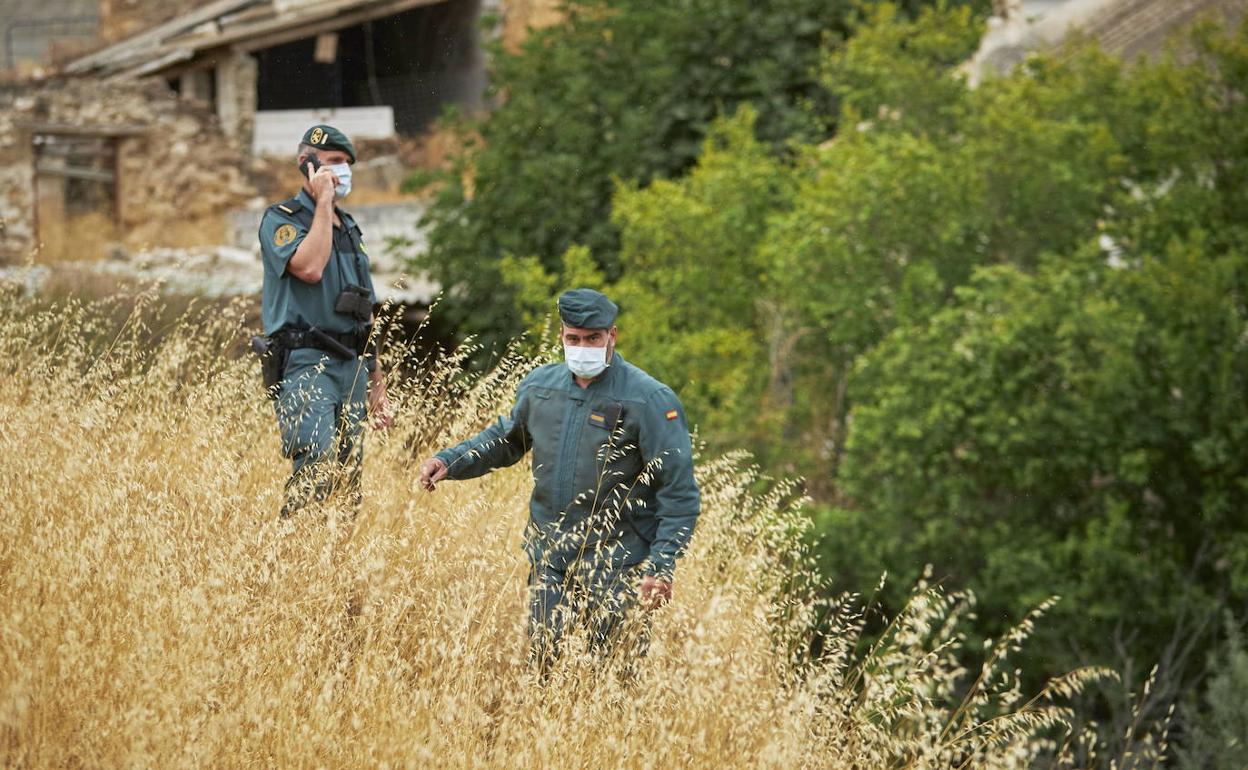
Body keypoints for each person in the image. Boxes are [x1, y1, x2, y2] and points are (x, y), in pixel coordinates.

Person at [418, 288, 701, 668]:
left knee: (612, 680)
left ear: (611, 336)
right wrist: (450, 461)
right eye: (574, 339)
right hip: (550, 559)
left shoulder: (649, 399)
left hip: (617, 564)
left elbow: (678, 493)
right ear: (562, 338)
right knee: (545, 669)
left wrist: (661, 564)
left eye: (593, 339)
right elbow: (505, 440)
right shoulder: (541, 387)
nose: (582, 347)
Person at [258, 124, 392, 518]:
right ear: (307, 164)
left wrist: (376, 382)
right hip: (306, 362)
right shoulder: (283, 218)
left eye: (346, 164)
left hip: (351, 367)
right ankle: (292, 560)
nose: (341, 172)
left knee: (348, 482)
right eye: (332, 162)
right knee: (316, 466)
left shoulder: (350, 228)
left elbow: (365, 311)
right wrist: (322, 203)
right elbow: (311, 267)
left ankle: (334, 570)